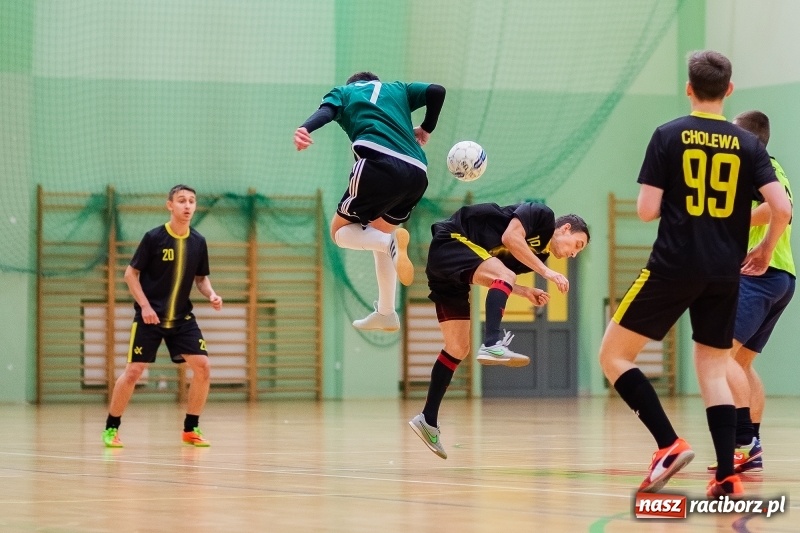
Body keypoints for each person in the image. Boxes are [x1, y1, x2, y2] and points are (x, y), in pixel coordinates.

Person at [598, 51, 792, 498]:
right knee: (713, 367)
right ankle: (726, 475)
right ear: (729, 90)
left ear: (689, 88)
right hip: (724, 272)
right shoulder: (749, 145)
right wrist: (763, 248)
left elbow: (647, 211)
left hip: (673, 264)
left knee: (614, 355)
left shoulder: (668, 135)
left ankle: (668, 443)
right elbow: (780, 207)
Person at [408, 201, 589, 458]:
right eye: (577, 245)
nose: (574, 254)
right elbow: (510, 237)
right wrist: (547, 274)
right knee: (505, 276)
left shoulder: (538, 256)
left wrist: (524, 292)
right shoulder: (542, 215)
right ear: (566, 228)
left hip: (451, 269)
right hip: (452, 240)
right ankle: (492, 343)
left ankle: (428, 420)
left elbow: (493, 276)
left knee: (458, 347)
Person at [294, 71, 446, 332]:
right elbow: (437, 90)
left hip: (378, 164)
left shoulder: (344, 92)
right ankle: (387, 312)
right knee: (376, 233)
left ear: (353, 84)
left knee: (339, 231)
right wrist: (427, 128)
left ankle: (389, 243)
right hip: (417, 173)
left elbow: (327, 111)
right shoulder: (398, 89)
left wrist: (305, 128)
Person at [706, 111, 794, 474]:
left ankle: (744, 440)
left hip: (759, 275)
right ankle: (750, 447)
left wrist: (759, 244)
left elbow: (780, 209)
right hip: (781, 278)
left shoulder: (762, 166)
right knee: (741, 363)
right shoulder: (768, 168)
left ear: (749, 139)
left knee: (720, 356)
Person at [102, 184, 223, 448]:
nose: (187, 205)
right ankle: (111, 427)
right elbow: (130, 274)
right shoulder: (154, 238)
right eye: (181, 200)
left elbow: (201, 278)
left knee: (203, 367)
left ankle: (191, 428)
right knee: (133, 372)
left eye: (192, 200)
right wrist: (144, 306)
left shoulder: (198, 242)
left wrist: (211, 294)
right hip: (151, 318)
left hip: (182, 319)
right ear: (170, 205)